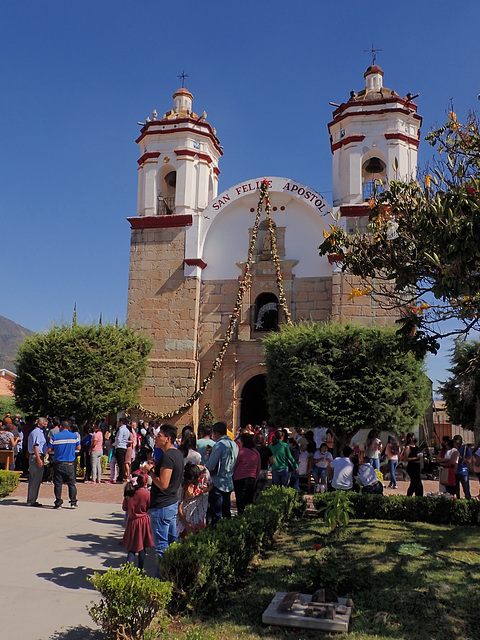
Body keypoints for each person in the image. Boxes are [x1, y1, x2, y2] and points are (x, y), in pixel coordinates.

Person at [144, 423, 183, 572]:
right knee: (173, 541)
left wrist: (150, 472)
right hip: (171, 504)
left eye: (159, 436)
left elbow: (164, 484)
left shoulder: (168, 456)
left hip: (162, 506)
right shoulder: (177, 454)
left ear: (168, 438)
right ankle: (176, 574)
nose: (156, 438)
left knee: (161, 546)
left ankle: (162, 579)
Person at [206, 421, 238, 523]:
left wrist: (208, 456)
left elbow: (211, 466)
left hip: (218, 482)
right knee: (226, 512)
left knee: (216, 514)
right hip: (228, 481)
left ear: (217, 433)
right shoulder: (234, 444)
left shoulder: (219, 445)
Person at [122, 473, 153, 569]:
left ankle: (127, 570)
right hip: (143, 522)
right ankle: (140, 569)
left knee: (132, 548)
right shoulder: (147, 494)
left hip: (132, 522)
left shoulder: (130, 493)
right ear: (146, 483)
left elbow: (124, 508)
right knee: (142, 547)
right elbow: (150, 508)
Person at [48, 420, 81, 508]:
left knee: (58, 483)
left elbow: (49, 449)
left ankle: (58, 502)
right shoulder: (74, 436)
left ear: (60, 427)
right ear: (69, 427)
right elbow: (78, 447)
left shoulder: (55, 436)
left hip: (58, 463)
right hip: (70, 463)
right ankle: (73, 502)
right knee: (71, 483)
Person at [177, 462, 212, 538]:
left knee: (199, 531)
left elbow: (211, 484)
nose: (195, 484)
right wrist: (187, 527)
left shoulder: (204, 472)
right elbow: (179, 508)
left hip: (200, 506)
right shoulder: (181, 483)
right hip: (186, 510)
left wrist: (207, 489)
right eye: (192, 482)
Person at [233, 433, 260, 512]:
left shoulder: (241, 452)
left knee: (240, 501)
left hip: (239, 479)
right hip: (251, 478)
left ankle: (240, 516)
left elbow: (235, 464)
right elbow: (258, 468)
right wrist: (255, 479)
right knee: (249, 500)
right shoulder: (256, 452)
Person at [26, 417, 48, 506]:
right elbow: (36, 446)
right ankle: (31, 500)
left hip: (38, 456)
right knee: (34, 479)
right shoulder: (36, 433)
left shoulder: (40, 432)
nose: (46, 424)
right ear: (40, 423)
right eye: (45, 422)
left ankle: (33, 499)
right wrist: (39, 459)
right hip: (36, 456)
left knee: (37, 479)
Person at [453, 435, 472, 499]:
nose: (456, 444)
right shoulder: (452, 449)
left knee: (466, 489)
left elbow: (469, 461)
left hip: (463, 471)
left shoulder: (465, 449)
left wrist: (461, 458)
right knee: (455, 490)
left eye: (457, 443)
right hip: (455, 471)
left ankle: (468, 501)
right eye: (455, 443)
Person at [114, 418, 130, 482]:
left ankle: (120, 477)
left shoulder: (121, 430)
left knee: (120, 464)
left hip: (120, 447)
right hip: (124, 447)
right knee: (122, 463)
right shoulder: (127, 430)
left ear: (121, 422)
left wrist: (113, 444)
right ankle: (121, 476)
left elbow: (119, 439)